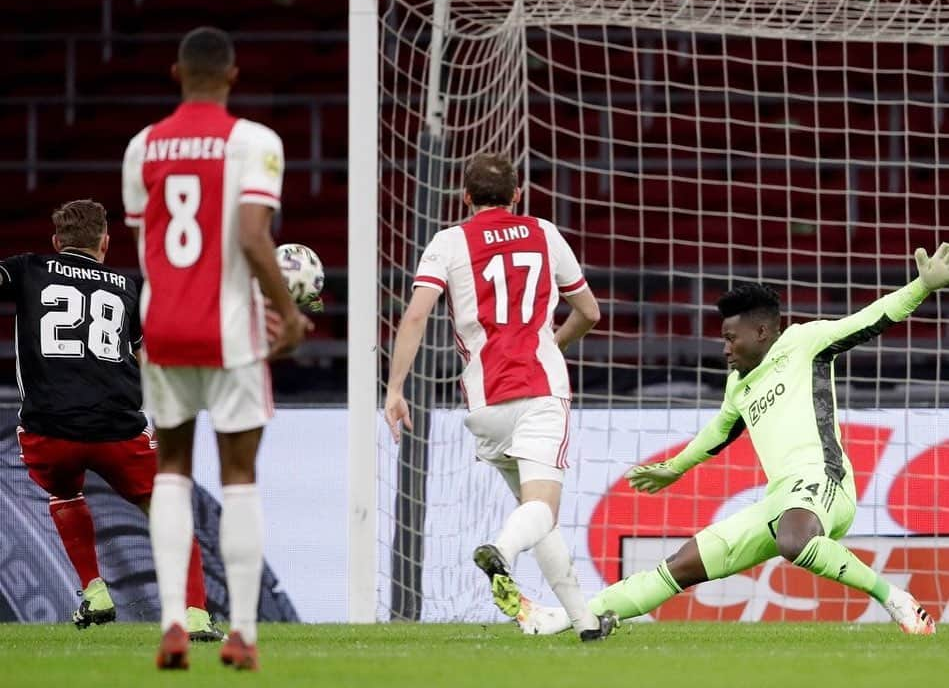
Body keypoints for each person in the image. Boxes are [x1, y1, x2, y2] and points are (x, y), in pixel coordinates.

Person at [518, 250, 949, 636]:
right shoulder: (739, 387)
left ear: (762, 332)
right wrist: (676, 468)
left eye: (730, 338)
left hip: (825, 483)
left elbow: (870, 318)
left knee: (793, 541)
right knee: (681, 565)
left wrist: (921, 287)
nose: (724, 348)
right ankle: (571, 617)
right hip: (780, 500)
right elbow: (716, 435)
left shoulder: (804, 343)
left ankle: (896, 599)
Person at [122, 26, 310, 671]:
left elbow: (149, 242)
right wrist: (288, 313)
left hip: (164, 329)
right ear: (233, 74)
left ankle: (174, 623)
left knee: (171, 469)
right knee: (239, 478)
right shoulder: (255, 142)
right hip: (229, 331)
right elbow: (255, 238)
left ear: (176, 72)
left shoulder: (141, 146)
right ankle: (244, 634)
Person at [384, 153, 615, 641]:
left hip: (485, 403)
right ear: (517, 194)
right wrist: (553, 342)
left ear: (465, 198)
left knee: (536, 513)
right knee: (542, 512)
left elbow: (417, 316)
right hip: (538, 390)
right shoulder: (544, 232)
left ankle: (584, 621)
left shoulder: (448, 242)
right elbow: (589, 311)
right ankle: (501, 552)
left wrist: (395, 388)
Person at [0, 199, 220, 640]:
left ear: (56, 242)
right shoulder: (127, 285)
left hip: (49, 430)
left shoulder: (28, 268)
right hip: (117, 428)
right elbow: (145, 355)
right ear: (105, 241)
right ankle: (194, 615)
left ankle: (95, 591)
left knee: (64, 493)